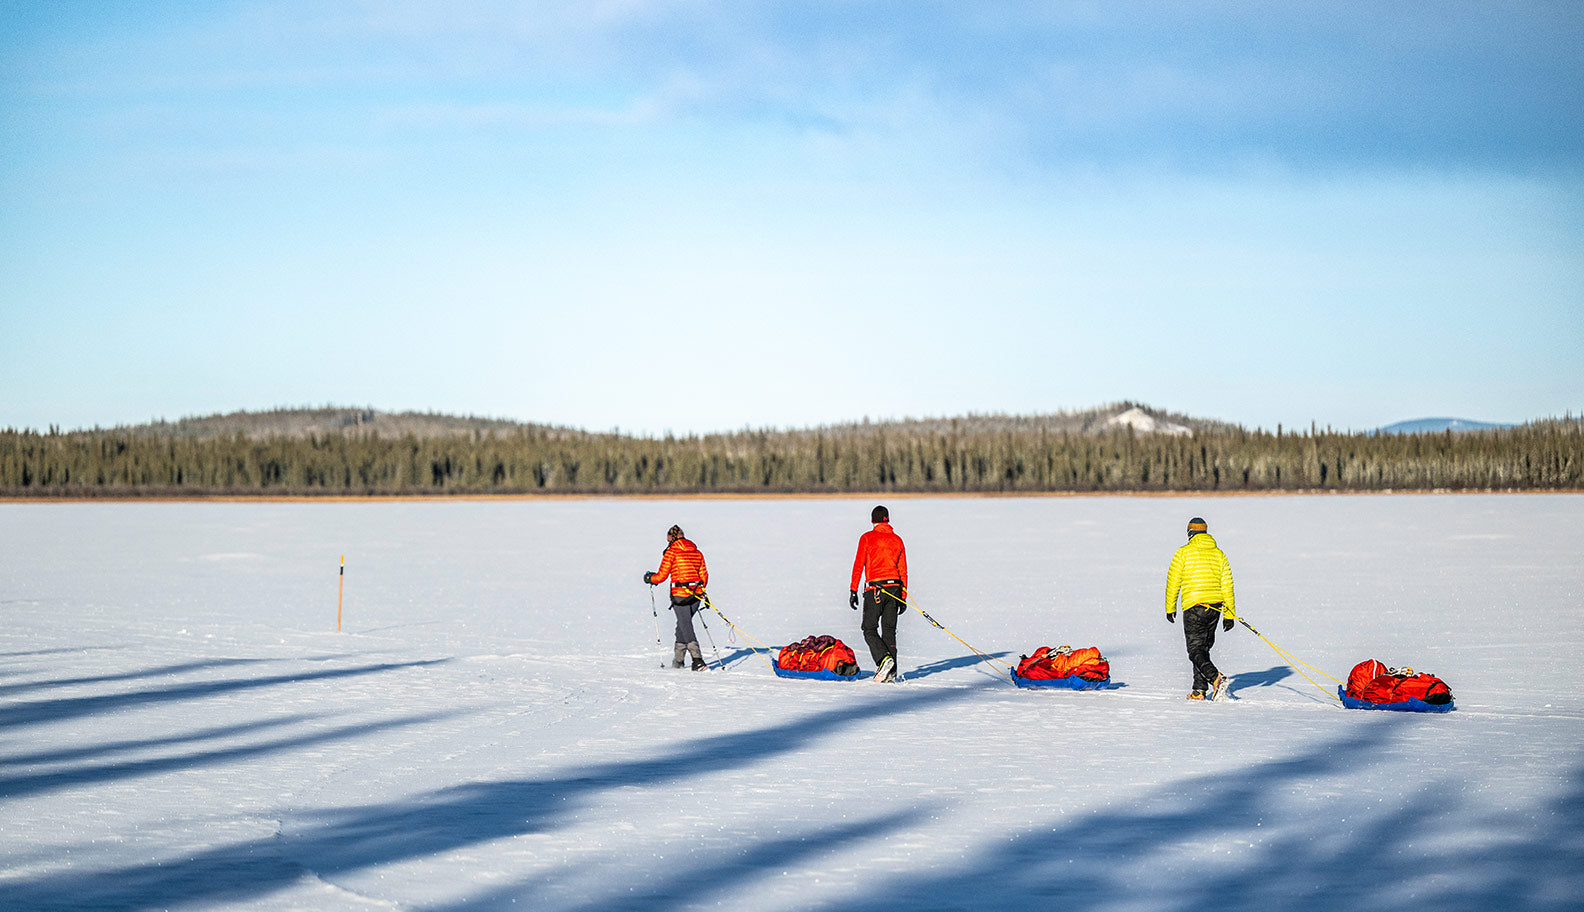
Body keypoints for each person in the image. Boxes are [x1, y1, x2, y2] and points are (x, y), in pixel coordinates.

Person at [1164, 516, 1237, 700]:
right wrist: (1229, 615)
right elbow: (1227, 586)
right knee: (1203, 649)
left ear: (1190, 533)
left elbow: (1173, 583)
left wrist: (1170, 607)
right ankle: (1199, 690)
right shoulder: (1219, 554)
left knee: (1195, 650)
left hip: (1194, 608)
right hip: (1215, 609)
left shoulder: (1183, 553)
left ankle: (1216, 677)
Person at [850, 504, 908, 682]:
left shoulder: (867, 538)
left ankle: (884, 660)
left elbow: (859, 564)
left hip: (875, 589)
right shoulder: (897, 540)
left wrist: (853, 589)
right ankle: (891, 673)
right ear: (887, 520)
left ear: (872, 520)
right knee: (889, 631)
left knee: (869, 629)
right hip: (895, 589)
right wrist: (903, 597)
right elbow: (903, 570)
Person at [644, 524, 710, 671]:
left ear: (671, 538)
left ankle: (697, 660)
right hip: (696, 595)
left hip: (680, 596)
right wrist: (699, 589)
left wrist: (650, 578)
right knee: (682, 625)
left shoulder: (671, 552)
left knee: (685, 625)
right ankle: (678, 661)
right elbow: (704, 576)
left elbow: (661, 576)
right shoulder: (697, 552)